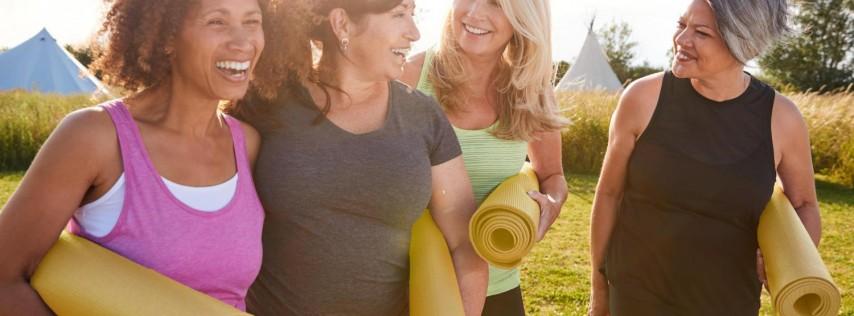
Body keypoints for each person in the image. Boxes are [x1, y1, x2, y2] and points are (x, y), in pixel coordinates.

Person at [0, 0, 294, 313]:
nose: (243, 41)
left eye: (252, 22)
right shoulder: (95, 137)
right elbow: (5, 279)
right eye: (217, 22)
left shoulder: (247, 144)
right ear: (168, 38)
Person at [240, 0, 488, 315]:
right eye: (399, 15)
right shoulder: (268, 101)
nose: (414, 33)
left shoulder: (423, 115)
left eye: (413, 14)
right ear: (342, 23)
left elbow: (465, 245)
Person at [588, 0, 821, 315]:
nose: (682, 40)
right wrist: (599, 292)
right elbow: (609, 194)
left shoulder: (782, 118)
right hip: (635, 295)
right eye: (681, 24)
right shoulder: (642, 98)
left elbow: (804, 204)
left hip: (728, 303)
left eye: (701, 33)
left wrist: (792, 258)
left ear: (743, 44)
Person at [400, 0, 568, 314]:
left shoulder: (532, 93)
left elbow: (552, 176)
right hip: (412, 291)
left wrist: (552, 203)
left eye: (495, 3)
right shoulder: (408, 78)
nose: (475, 12)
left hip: (499, 290)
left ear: (524, 19)